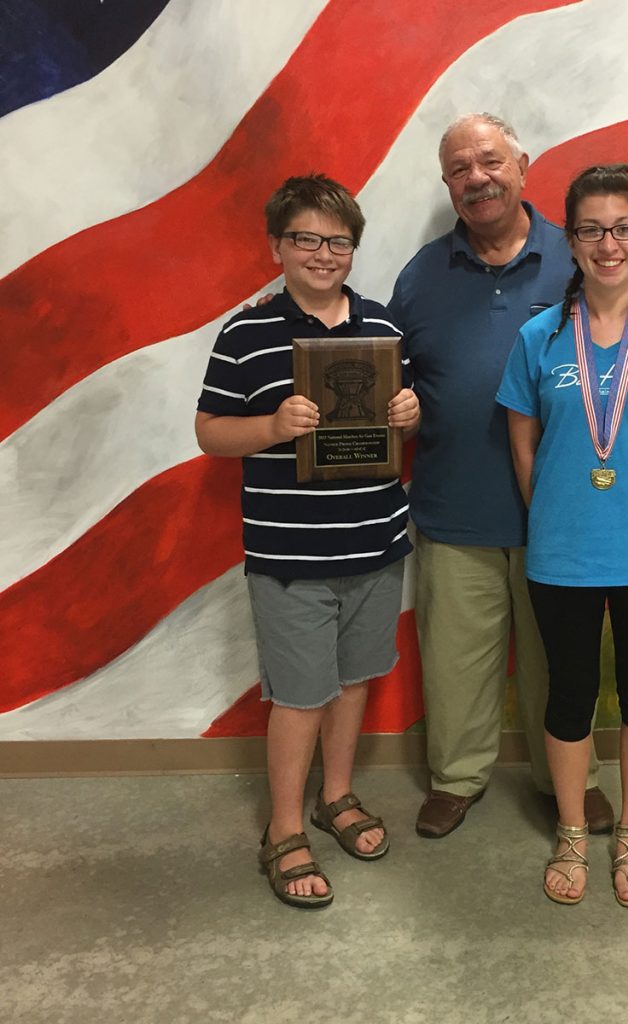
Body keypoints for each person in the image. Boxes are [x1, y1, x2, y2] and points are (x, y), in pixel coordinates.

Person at [390, 114, 628, 839]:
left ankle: (575, 784)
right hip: (455, 508)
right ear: (447, 186)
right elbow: (379, 368)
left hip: (566, 519)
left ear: (522, 164)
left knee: (565, 668)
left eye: (489, 160)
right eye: (459, 168)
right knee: (457, 664)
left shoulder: (579, 251)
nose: (476, 177)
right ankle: (457, 778)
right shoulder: (423, 274)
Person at [195, 174, 420, 909]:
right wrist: (270, 430)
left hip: (376, 541)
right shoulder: (246, 332)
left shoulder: (384, 330)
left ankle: (338, 794)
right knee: (299, 695)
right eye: (307, 239)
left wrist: (409, 413)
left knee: (353, 680)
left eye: (338, 241)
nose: (323, 254)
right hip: (289, 556)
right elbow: (209, 431)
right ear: (278, 245)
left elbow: (398, 424)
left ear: (353, 248)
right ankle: (283, 831)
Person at [496, 164, 628, 906]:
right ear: (572, 240)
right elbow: (522, 444)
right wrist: (557, 510)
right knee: (569, 692)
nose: (608, 243)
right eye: (591, 228)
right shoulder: (538, 336)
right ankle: (568, 829)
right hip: (562, 550)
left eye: (625, 227)